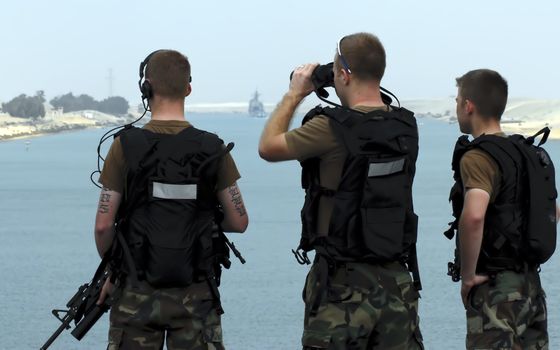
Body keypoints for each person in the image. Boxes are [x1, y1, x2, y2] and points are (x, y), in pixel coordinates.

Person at [259, 32, 423, 349]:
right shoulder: (406, 127)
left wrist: (295, 93)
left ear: (343, 75)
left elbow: (268, 147)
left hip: (341, 285)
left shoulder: (329, 128)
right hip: (396, 284)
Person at [94, 49, 248, 349]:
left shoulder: (124, 146)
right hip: (197, 292)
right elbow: (239, 221)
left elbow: (103, 226)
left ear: (146, 87)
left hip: (135, 290)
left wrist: (115, 270)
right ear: (188, 89)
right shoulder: (213, 148)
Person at [448, 69, 556, 349]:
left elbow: (473, 216)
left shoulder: (479, 156)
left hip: (496, 290)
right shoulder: (528, 154)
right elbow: (552, 212)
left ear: (468, 105)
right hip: (531, 287)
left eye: (458, 100)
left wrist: (468, 277)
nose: (457, 106)